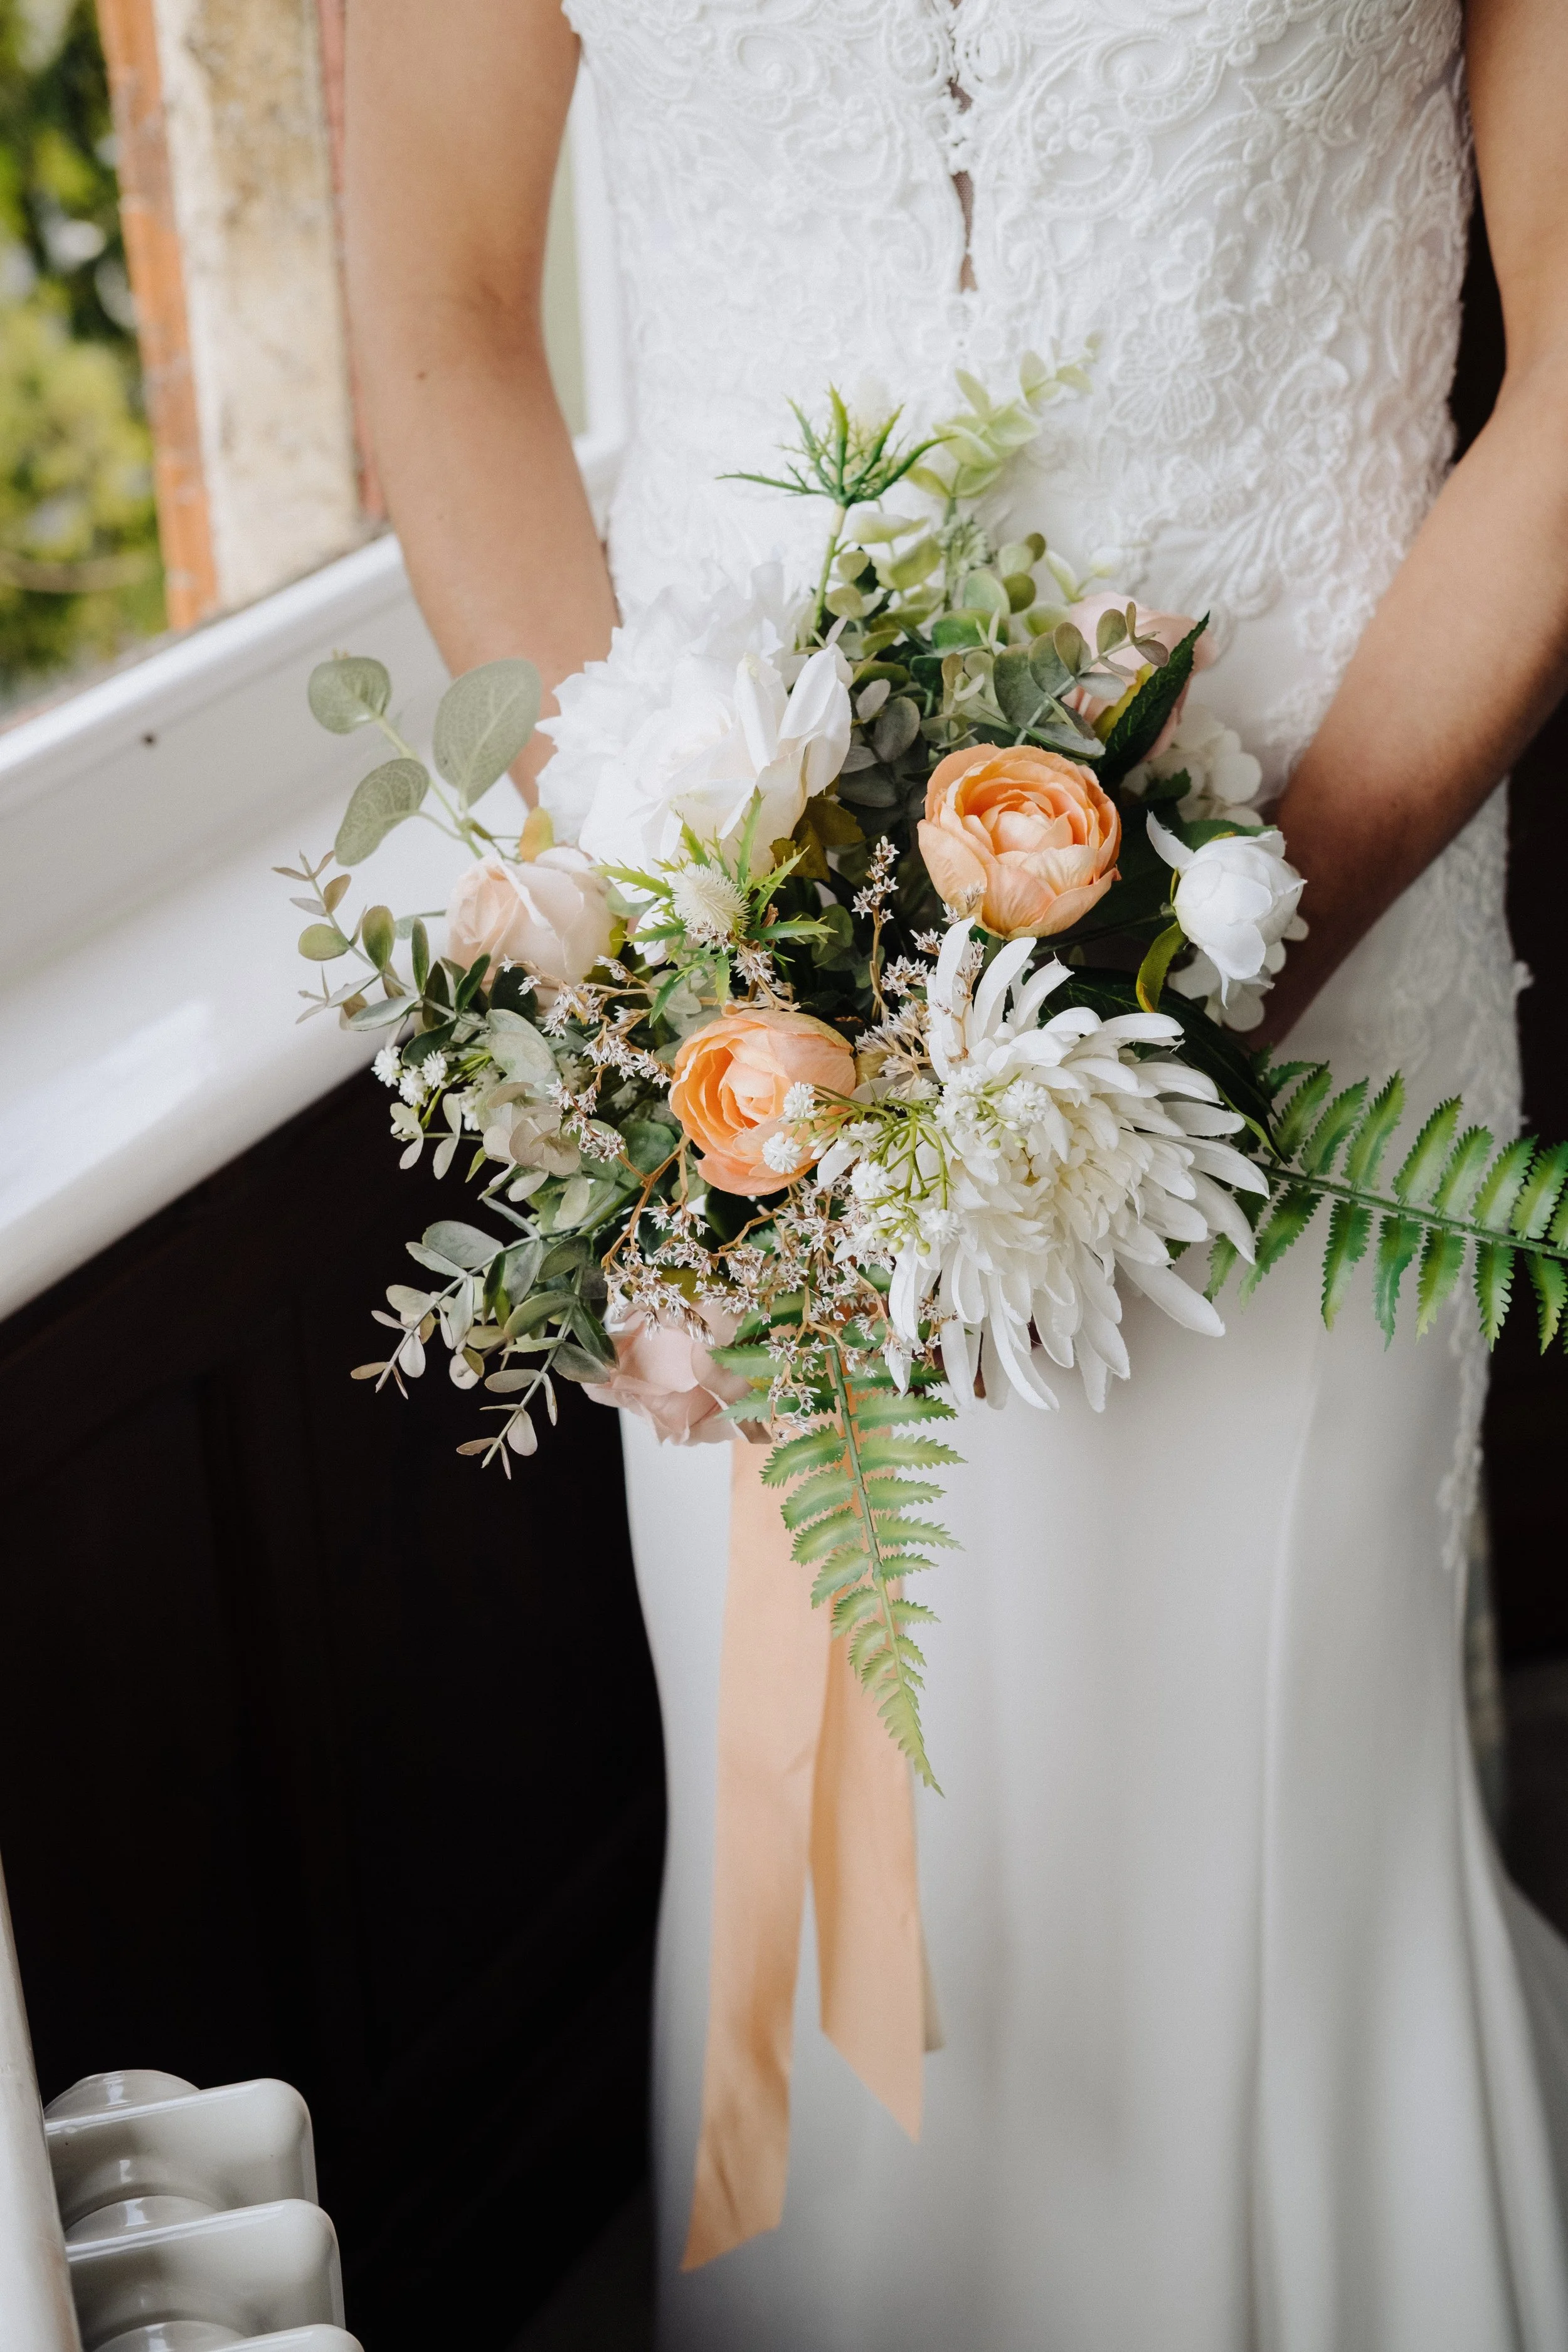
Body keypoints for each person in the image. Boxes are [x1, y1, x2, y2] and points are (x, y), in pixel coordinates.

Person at [344, 4, 1568, 2344]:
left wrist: (1191, 994)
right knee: (858, 1895)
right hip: (745, 1040)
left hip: (1320, 955)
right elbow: (436, 318)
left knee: (1259, 1848)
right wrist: (679, 937)